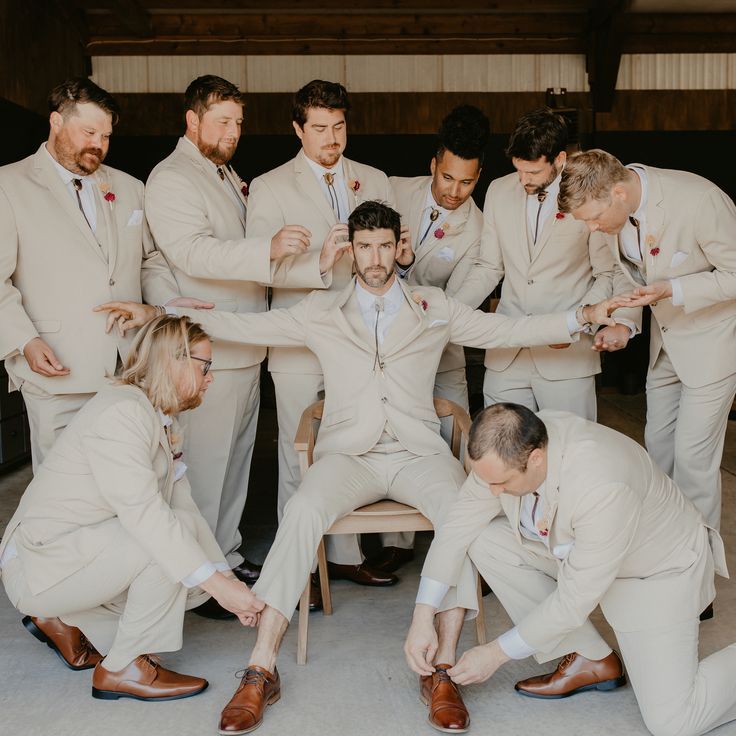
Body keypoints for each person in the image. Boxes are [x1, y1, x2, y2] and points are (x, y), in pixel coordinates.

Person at [96, 200, 619, 734]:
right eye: (364, 247)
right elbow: (247, 324)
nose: (374, 258)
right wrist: (159, 316)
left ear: (399, 245)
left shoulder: (433, 305)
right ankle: (260, 667)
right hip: (348, 455)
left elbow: (504, 330)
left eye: (383, 246)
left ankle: (442, 669)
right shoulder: (321, 310)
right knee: (300, 511)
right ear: (351, 249)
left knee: (463, 519)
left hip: (418, 452)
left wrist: (580, 317)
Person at [406, 403, 734, 736]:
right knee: (484, 539)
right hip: (575, 553)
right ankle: (590, 658)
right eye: (485, 480)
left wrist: (496, 653)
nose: (492, 492)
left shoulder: (602, 483)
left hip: (653, 571)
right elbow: (456, 529)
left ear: (535, 458)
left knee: (675, 722)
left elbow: (573, 601)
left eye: (501, 482)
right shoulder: (508, 450)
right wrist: (422, 617)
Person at [0, 315, 264, 702]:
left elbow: (183, 505)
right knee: (160, 550)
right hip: (40, 562)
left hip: (80, 547)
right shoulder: (122, 414)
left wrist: (225, 579)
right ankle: (122, 668)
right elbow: (146, 516)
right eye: (205, 366)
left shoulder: (157, 413)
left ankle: (80, 621)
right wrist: (218, 585)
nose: (211, 378)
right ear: (174, 361)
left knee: (187, 561)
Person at [145, 75, 337, 600]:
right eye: (222, 121)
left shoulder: (224, 174)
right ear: (192, 119)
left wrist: (304, 263)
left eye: (238, 122)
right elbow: (191, 252)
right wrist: (268, 249)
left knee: (235, 466)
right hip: (209, 344)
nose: (233, 131)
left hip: (246, 343)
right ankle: (200, 584)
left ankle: (224, 557)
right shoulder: (172, 177)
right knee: (203, 472)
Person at [245, 79, 401, 591]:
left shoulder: (374, 176)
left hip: (362, 340)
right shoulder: (269, 186)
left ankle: (346, 555)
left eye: (338, 126)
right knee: (299, 453)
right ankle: (303, 569)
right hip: (298, 341)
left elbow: (395, 253)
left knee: (349, 447)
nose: (331, 138)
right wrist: (321, 262)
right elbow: (263, 271)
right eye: (319, 129)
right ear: (297, 129)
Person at [0, 77, 197, 469]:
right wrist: (23, 341)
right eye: (88, 132)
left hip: (129, 367)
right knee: (63, 489)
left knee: (128, 479)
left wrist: (166, 305)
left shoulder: (129, 186)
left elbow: (149, 260)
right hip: (56, 365)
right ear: (56, 122)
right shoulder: (8, 185)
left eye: (106, 135)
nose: (99, 145)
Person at [559, 149, 736, 530]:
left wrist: (673, 288)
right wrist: (624, 324)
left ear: (618, 193)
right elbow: (631, 277)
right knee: (657, 451)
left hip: (713, 347)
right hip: (665, 346)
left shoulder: (698, 200)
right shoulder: (613, 215)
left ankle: (697, 566)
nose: (591, 229)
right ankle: (666, 545)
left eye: (592, 218)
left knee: (692, 459)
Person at [377, 104, 489, 575]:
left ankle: (463, 542)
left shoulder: (479, 230)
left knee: (456, 443)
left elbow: (454, 307)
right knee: (394, 437)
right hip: (386, 351)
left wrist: (406, 275)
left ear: (479, 177)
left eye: (466, 182)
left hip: (442, 351)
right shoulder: (391, 191)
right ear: (433, 165)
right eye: (447, 178)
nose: (454, 191)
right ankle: (398, 542)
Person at [478, 109, 638, 421]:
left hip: (566, 355)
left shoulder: (587, 196)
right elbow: (488, 267)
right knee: (498, 450)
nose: (523, 179)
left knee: (571, 451)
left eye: (533, 173)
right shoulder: (498, 190)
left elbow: (607, 272)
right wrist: (449, 310)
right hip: (506, 354)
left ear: (560, 159)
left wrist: (576, 322)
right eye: (518, 169)